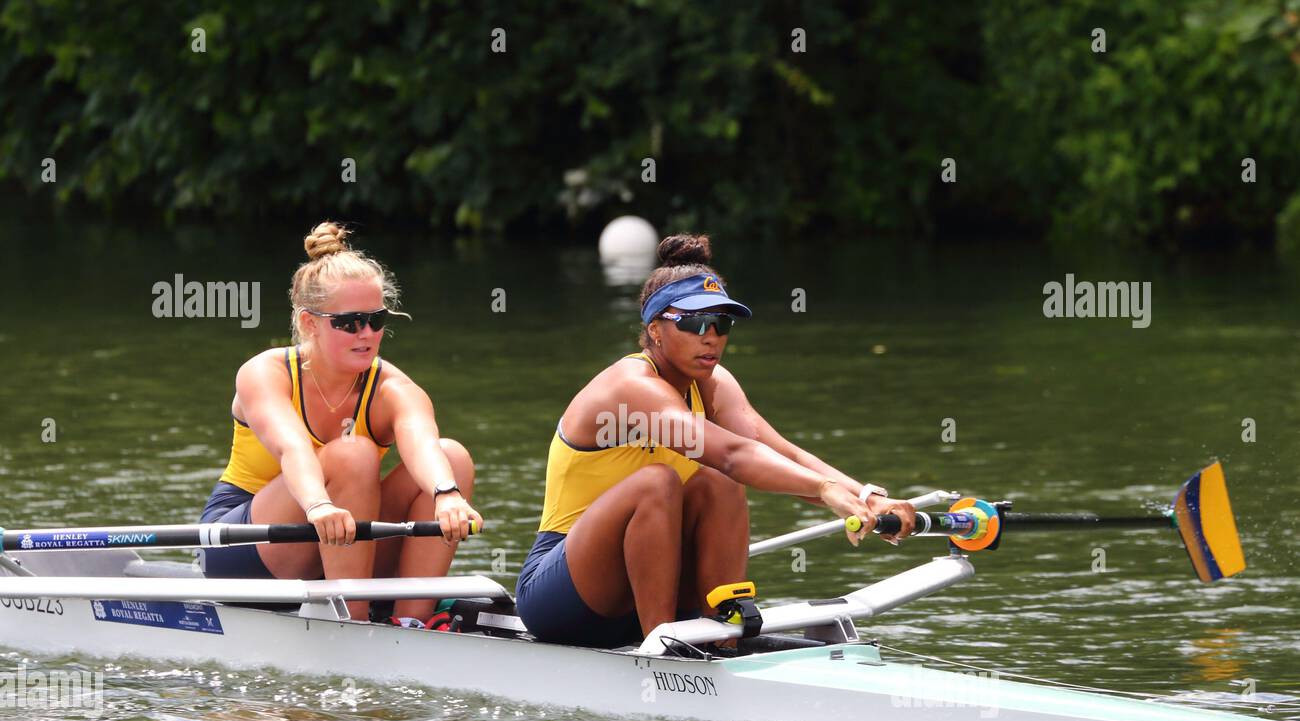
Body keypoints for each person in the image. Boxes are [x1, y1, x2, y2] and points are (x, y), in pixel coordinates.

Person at [516, 233, 915, 648]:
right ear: (654, 329)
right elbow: (732, 454)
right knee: (659, 481)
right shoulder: (630, 386)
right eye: (694, 323)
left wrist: (867, 497)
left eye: (721, 323)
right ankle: (665, 652)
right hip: (562, 596)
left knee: (719, 483)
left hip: (646, 586)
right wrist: (825, 490)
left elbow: (783, 454)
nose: (711, 337)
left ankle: (720, 639)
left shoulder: (713, 383)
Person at [200, 221, 480, 624]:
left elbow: (422, 441)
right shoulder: (265, 373)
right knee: (353, 454)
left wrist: (447, 494)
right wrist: (318, 505)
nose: (366, 333)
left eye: (377, 319)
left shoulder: (393, 387)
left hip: (344, 538)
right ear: (310, 322)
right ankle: (354, 622)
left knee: (452, 458)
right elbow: (293, 448)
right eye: (349, 322)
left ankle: (413, 623)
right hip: (248, 547)